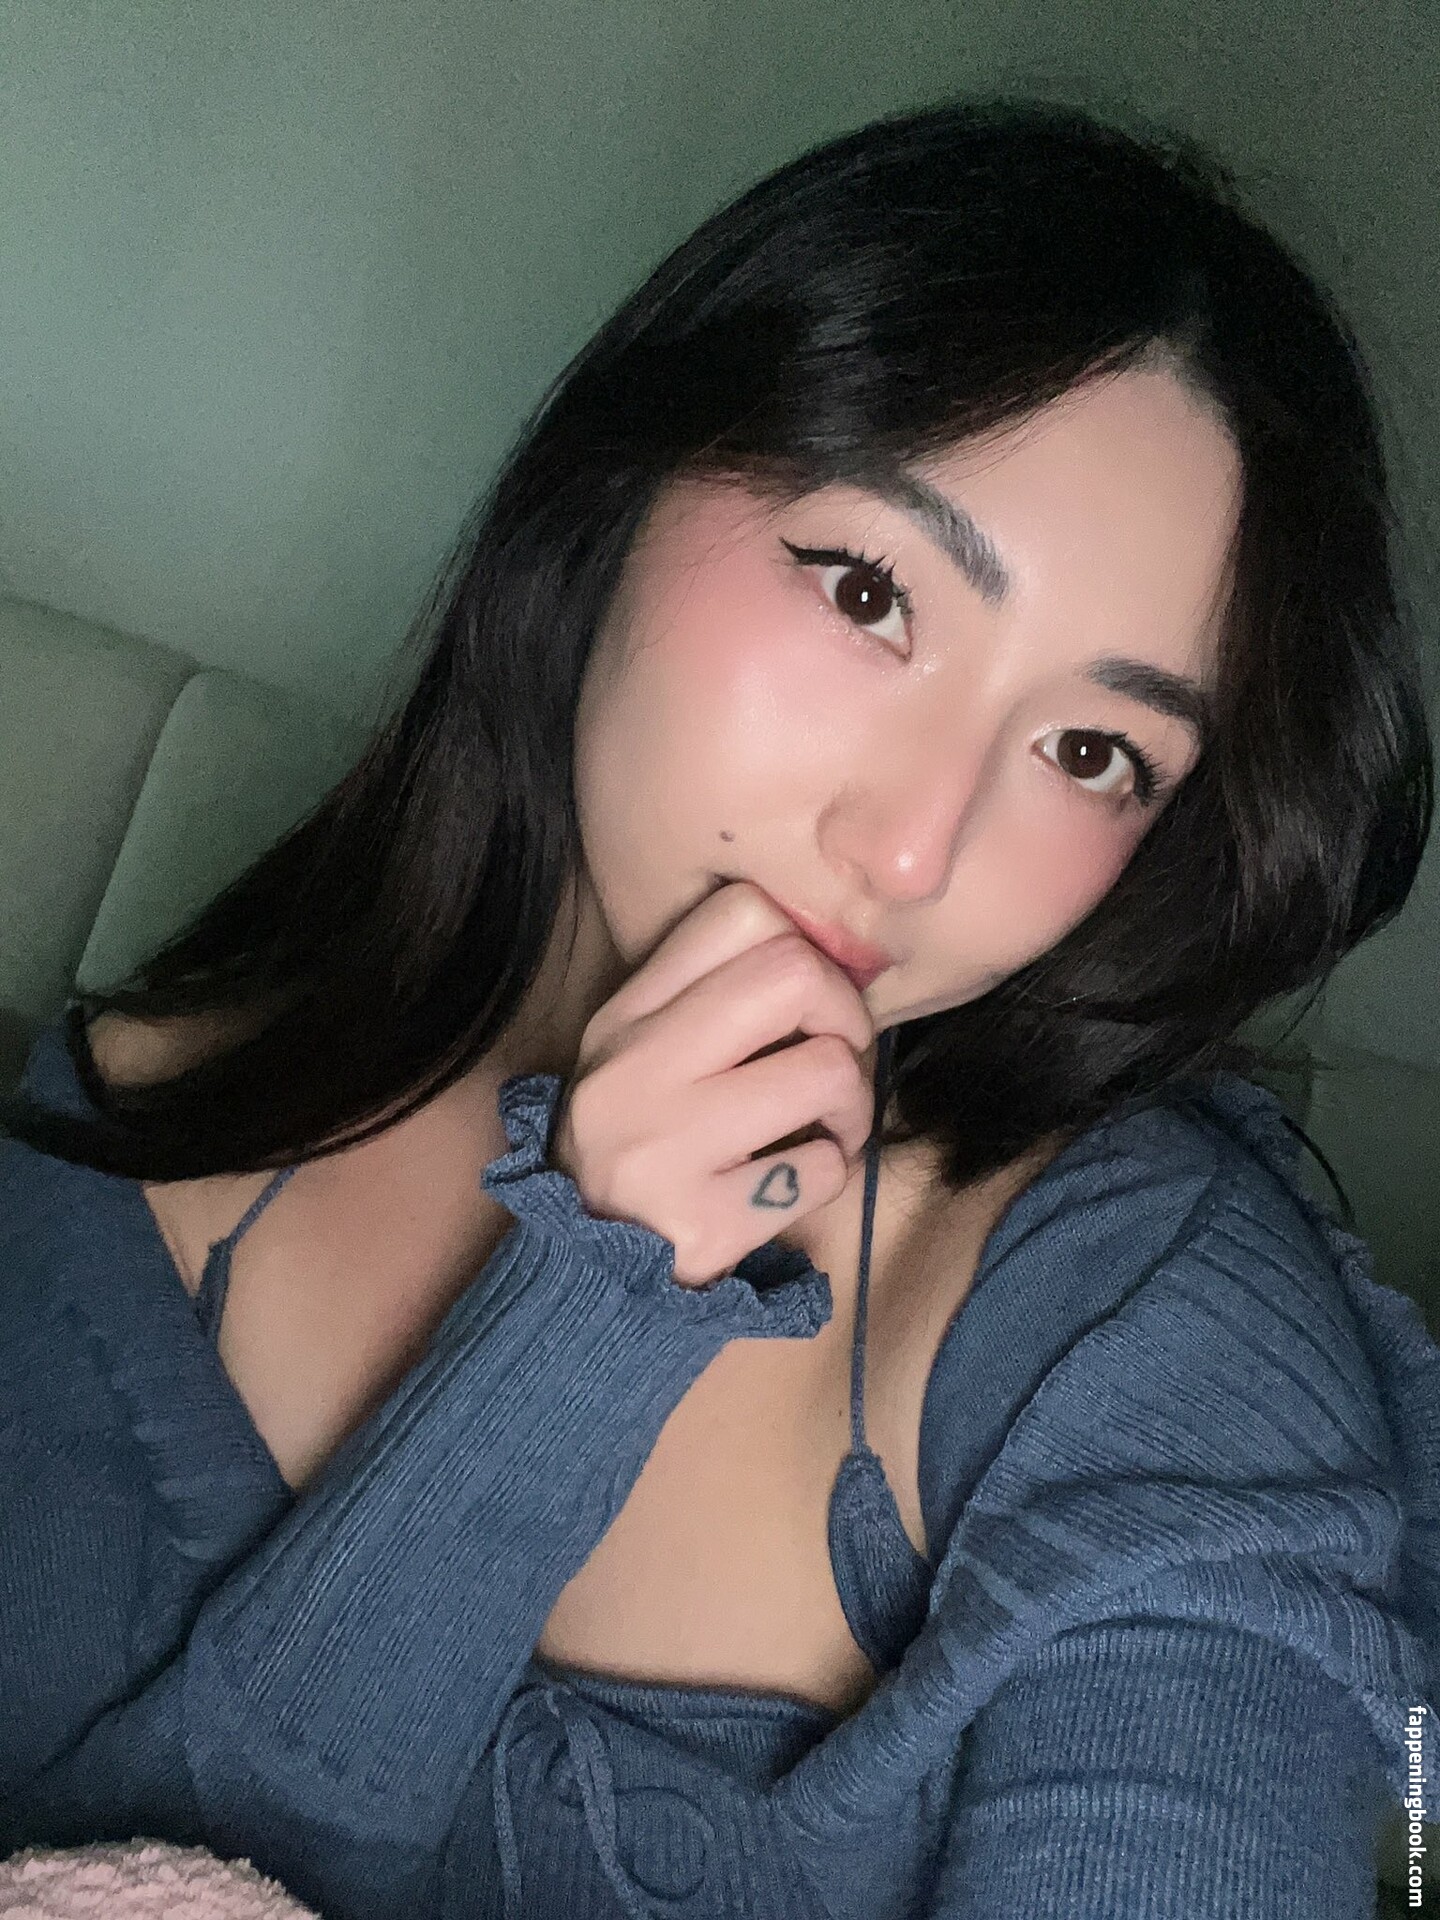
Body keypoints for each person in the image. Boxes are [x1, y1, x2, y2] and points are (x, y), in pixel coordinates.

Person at [2, 94, 1437, 1919]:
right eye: (872, 591)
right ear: (621, 486)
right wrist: (577, 1325)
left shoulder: (1148, 1327)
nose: (910, 849)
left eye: (1093, 752)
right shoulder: (110, 1156)